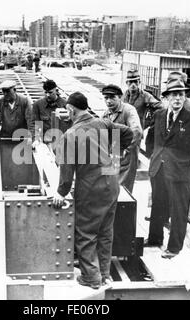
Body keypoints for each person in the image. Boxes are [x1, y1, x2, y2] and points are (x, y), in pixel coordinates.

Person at [52, 92, 134, 289]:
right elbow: (128, 133)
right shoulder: (103, 123)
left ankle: (91, 277)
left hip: (91, 190)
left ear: (71, 110)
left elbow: (66, 170)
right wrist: (114, 157)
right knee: (105, 232)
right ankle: (104, 273)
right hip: (112, 184)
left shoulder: (70, 135)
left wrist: (61, 193)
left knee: (86, 233)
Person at [145, 79, 190, 259]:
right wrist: (152, 155)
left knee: (178, 209)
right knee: (158, 204)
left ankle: (174, 247)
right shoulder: (160, 114)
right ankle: (155, 238)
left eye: (181, 95)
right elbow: (152, 136)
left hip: (180, 171)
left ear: (185, 97)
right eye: (174, 95)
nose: (177, 98)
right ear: (167, 97)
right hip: (159, 168)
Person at [101, 84, 143, 192]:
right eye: (106, 98)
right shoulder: (106, 115)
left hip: (127, 154)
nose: (108, 101)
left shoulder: (128, 110)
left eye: (112, 97)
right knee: (109, 186)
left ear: (120, 97)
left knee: (123, 188)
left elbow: (137, 131)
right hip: (113, 154)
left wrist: (126, 149)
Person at [30, 79, 68, 147]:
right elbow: (35, 124)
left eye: (50, 92)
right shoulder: (38, 105)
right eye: (46, 92)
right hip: (45, 143)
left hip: (61, 143)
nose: (47, 95)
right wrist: (36, 139)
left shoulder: (65, 105)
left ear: (56, 90)